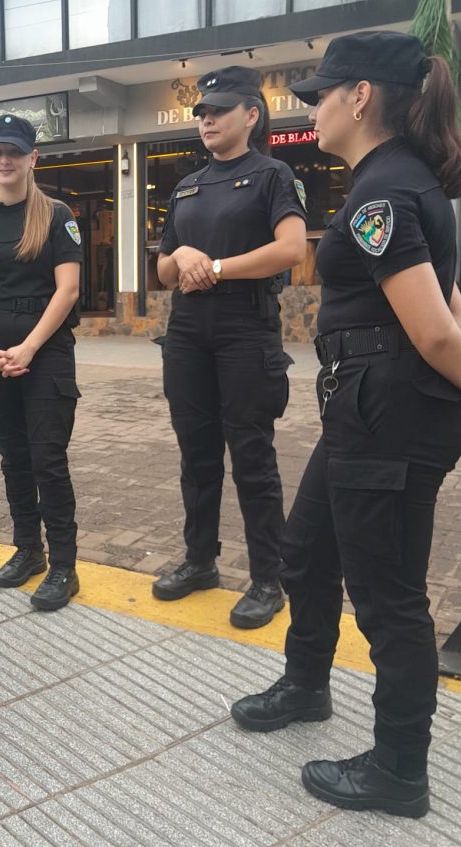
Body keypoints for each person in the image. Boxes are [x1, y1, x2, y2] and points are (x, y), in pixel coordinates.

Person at [231, 32, 461, 818]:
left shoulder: (385, 189)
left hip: (387, 413)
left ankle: (398, 768)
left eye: (322, 92)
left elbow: (429, 327)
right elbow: (446, 298)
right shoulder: (398, 180)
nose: (311, 105)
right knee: (308, 548)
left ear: (360, 97)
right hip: (372, 410)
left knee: (388, 600)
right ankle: (307, 683)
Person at [152, 67, 307, 629]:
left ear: (251, 114)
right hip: (189, 335)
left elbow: (291, 249)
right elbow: (165, 270)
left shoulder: (273, 175)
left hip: (246, 331)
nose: (207, 120)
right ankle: (200, 561)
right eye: (201, 113)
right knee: (196, 457)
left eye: (218, 110)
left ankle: (270, 578)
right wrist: (185, 258)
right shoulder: (187, 185)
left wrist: (214, 266)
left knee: (252, 459)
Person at [0, 115, 84, 611]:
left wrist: (28, 348)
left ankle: (65, 566)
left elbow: (68, 290)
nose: (4, 160)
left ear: (33, 157)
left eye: (14, 152)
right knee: (14, 460)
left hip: (46, 353)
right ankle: (28, 550)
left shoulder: (55, 215)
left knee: (48, 460)